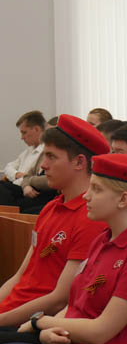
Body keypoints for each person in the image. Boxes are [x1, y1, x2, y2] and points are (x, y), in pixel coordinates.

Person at [1, 154, 127, 344]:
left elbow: (101, 332)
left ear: (123, 199)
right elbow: (75, 306)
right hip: (73, 341)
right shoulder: (102, 240)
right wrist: (46, 331)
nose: (87, 196)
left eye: (96, 189)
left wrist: (39, 323)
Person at [0, 114, 110, 327]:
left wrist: (2, 319)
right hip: (12, 314)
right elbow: (20, 276)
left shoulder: (92, 218)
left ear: (79, 162)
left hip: (35, 323)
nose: (44, 165)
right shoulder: (51, 208)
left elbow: (60, 299)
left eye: (51, 157)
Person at [0, 110, 57, 213]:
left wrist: (26, 181)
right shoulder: (28, 151)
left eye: (24, 132)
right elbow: (9, 167)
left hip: (34, 192)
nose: (22, 137)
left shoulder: (46, 151)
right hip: (23, 187)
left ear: (36, 129)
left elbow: (45, 179)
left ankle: (9, 216)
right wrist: (18, 175)